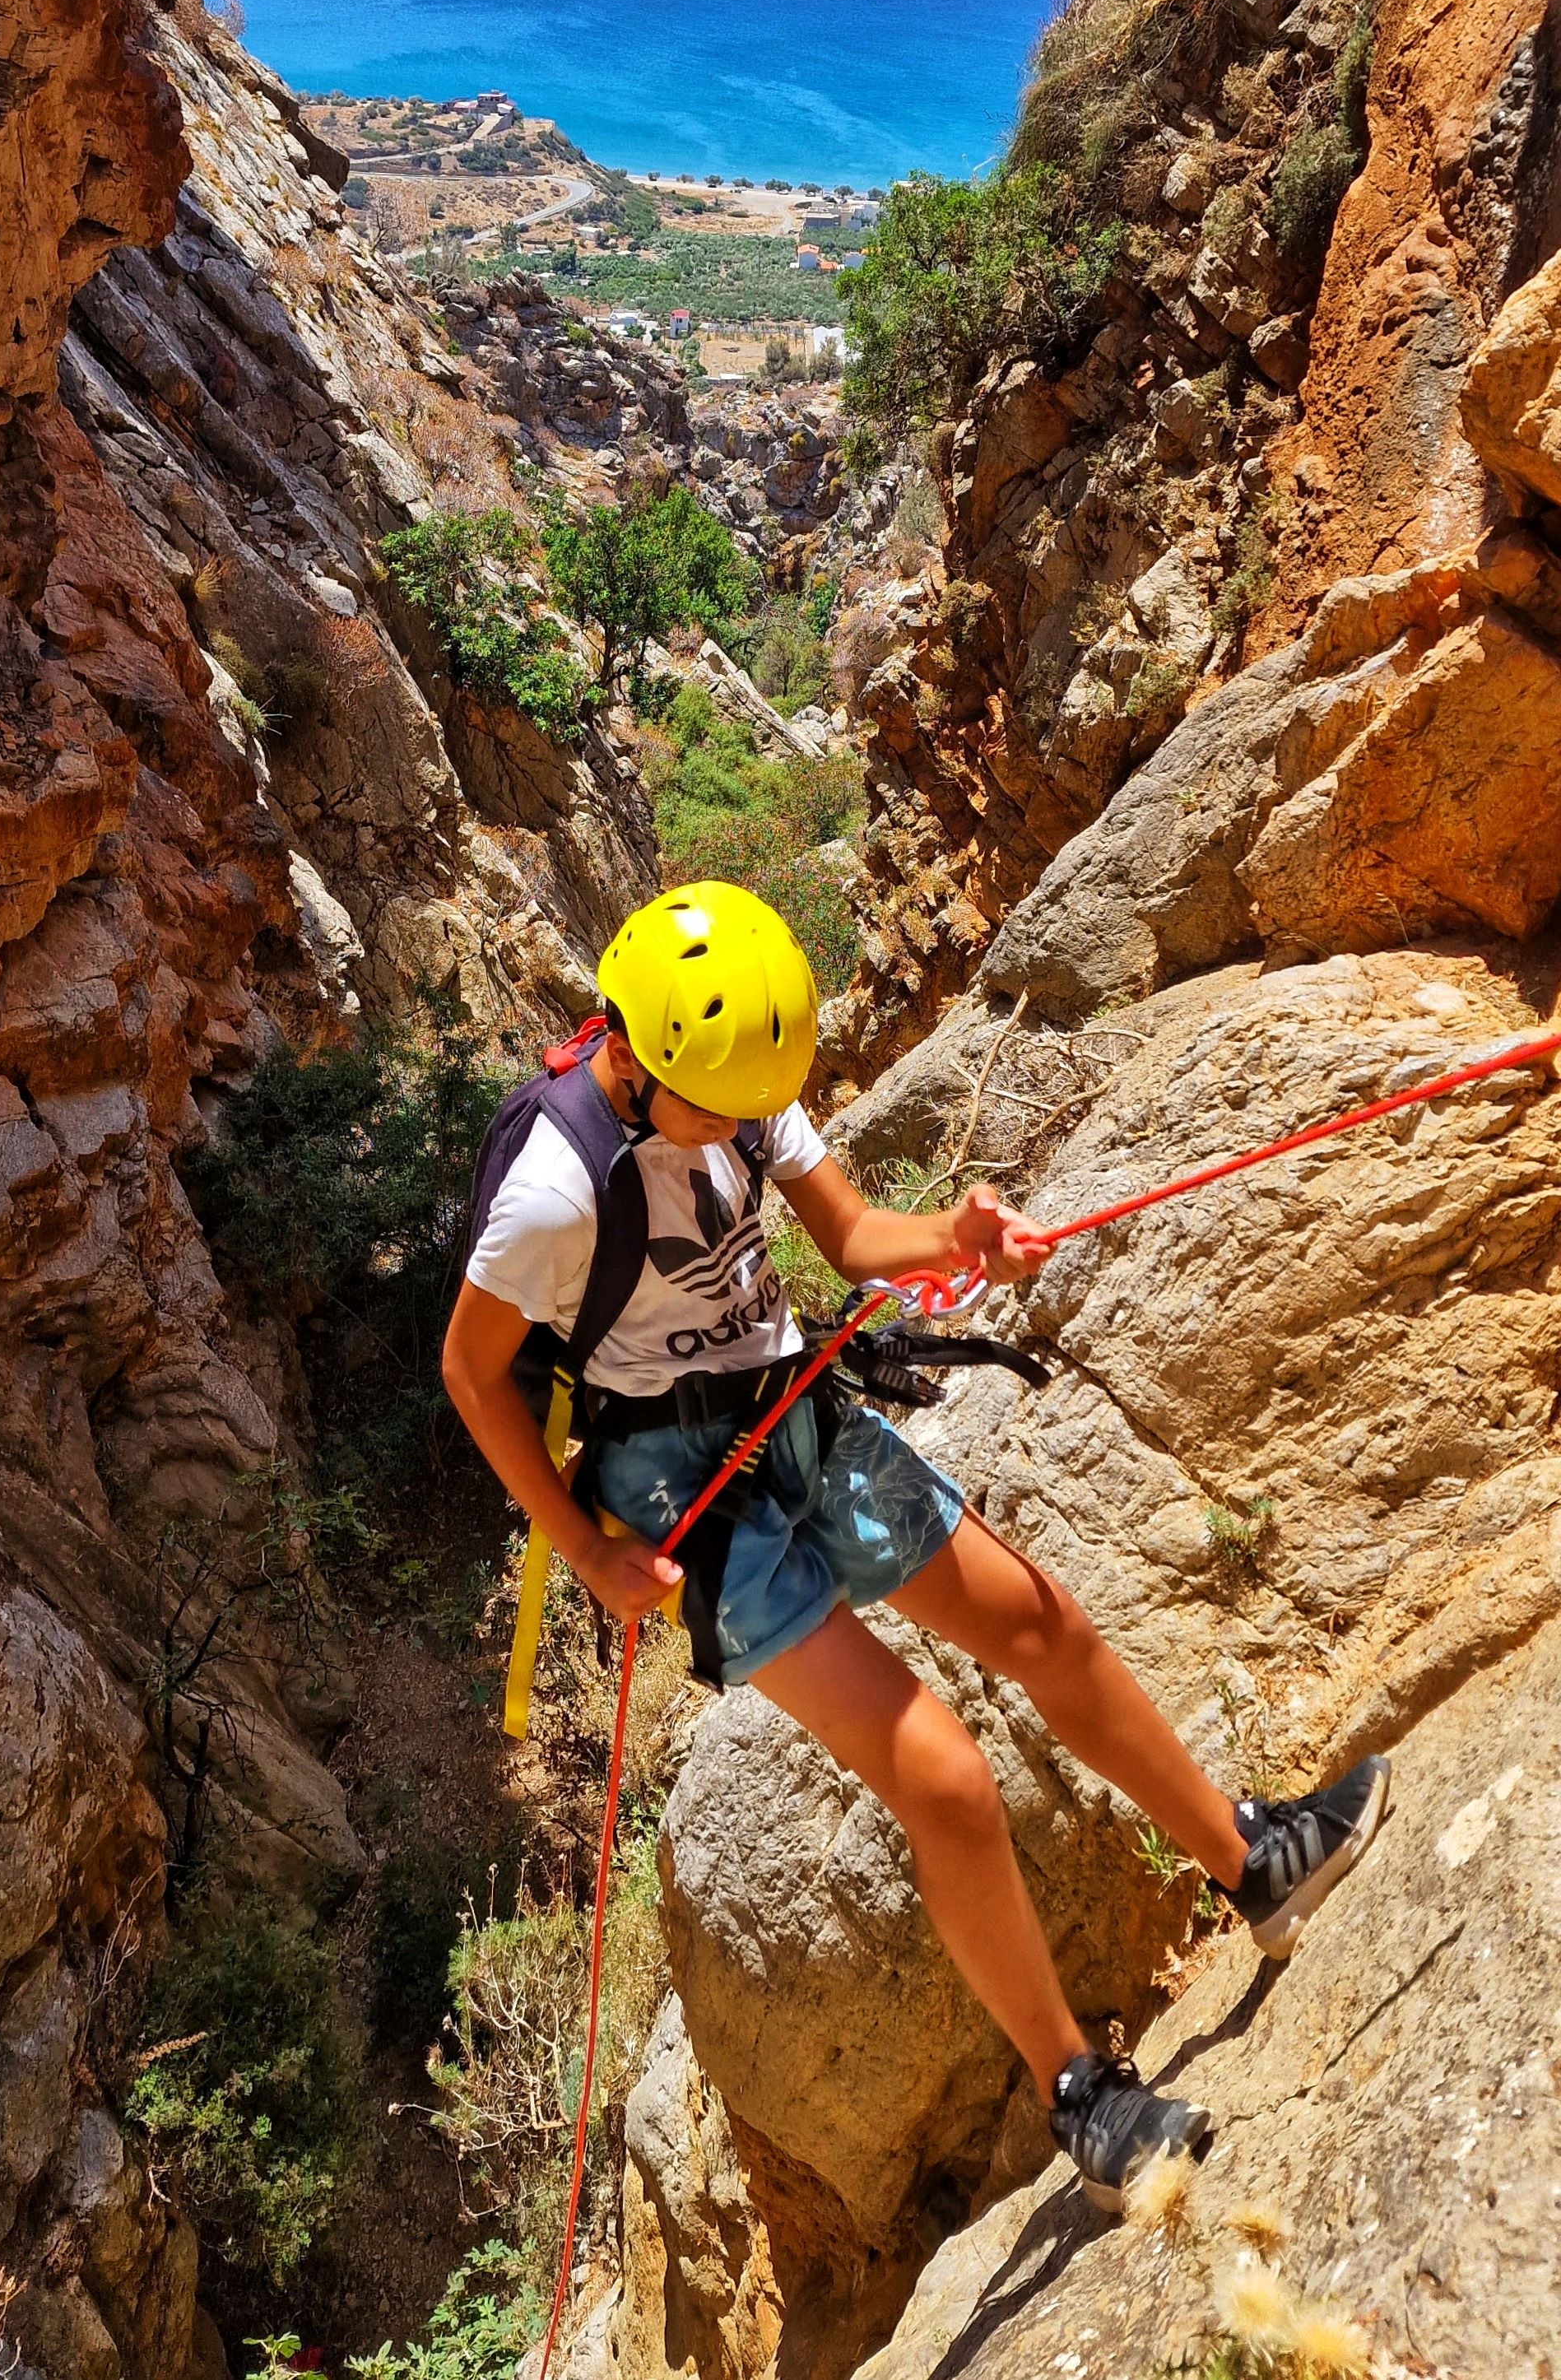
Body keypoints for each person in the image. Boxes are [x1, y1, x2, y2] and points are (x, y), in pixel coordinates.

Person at [443, 881, 1389, 2210]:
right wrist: (590, 1554)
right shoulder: (554, 1188)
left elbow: (845, 1230)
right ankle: (1080, 2093)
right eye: (715, 1114)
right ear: (640, 1054)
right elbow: (475, 1375)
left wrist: (958, 1239)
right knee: (944, 1777)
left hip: (788, 1402)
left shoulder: (738, 1073)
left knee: (1036, 1623)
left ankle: (1252, 1860)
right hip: (682, 1486)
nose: (736, 1133)